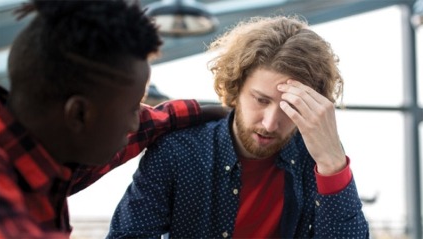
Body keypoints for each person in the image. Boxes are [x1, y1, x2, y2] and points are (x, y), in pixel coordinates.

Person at [107, 15, 370, 239]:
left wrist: (333, 163)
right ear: (236, 89)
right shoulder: (178, 151)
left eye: (290, 107)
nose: (270, 123)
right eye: (261, 100)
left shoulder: (317, 160)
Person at [0, 0, 228, 238]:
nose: (134, 124)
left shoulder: (44, 152)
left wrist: (198, 112)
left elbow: (144, 126)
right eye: (132, 109)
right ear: (78, 114)